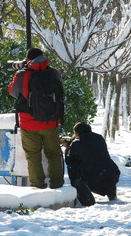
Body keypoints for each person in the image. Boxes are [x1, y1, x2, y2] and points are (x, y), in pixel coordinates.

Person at [8, 47, 64, 189]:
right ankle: (57, 185)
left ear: (27, 60)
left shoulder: (22, 75)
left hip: (29, 123)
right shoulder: (54, 72)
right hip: (50, 122)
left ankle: (38, 186)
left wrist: (19, 72)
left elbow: (12, 91)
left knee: (33, 155)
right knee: (54, 154)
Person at [65, 122, 121, 206]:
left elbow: (69, 160)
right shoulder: (99, 138)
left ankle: (87, 199)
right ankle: (112, 194)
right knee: (102, 164)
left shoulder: (77, 142)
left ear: (76, 133)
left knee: (73, 167)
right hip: (112, 175)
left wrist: (68, 148)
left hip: (94, 179)